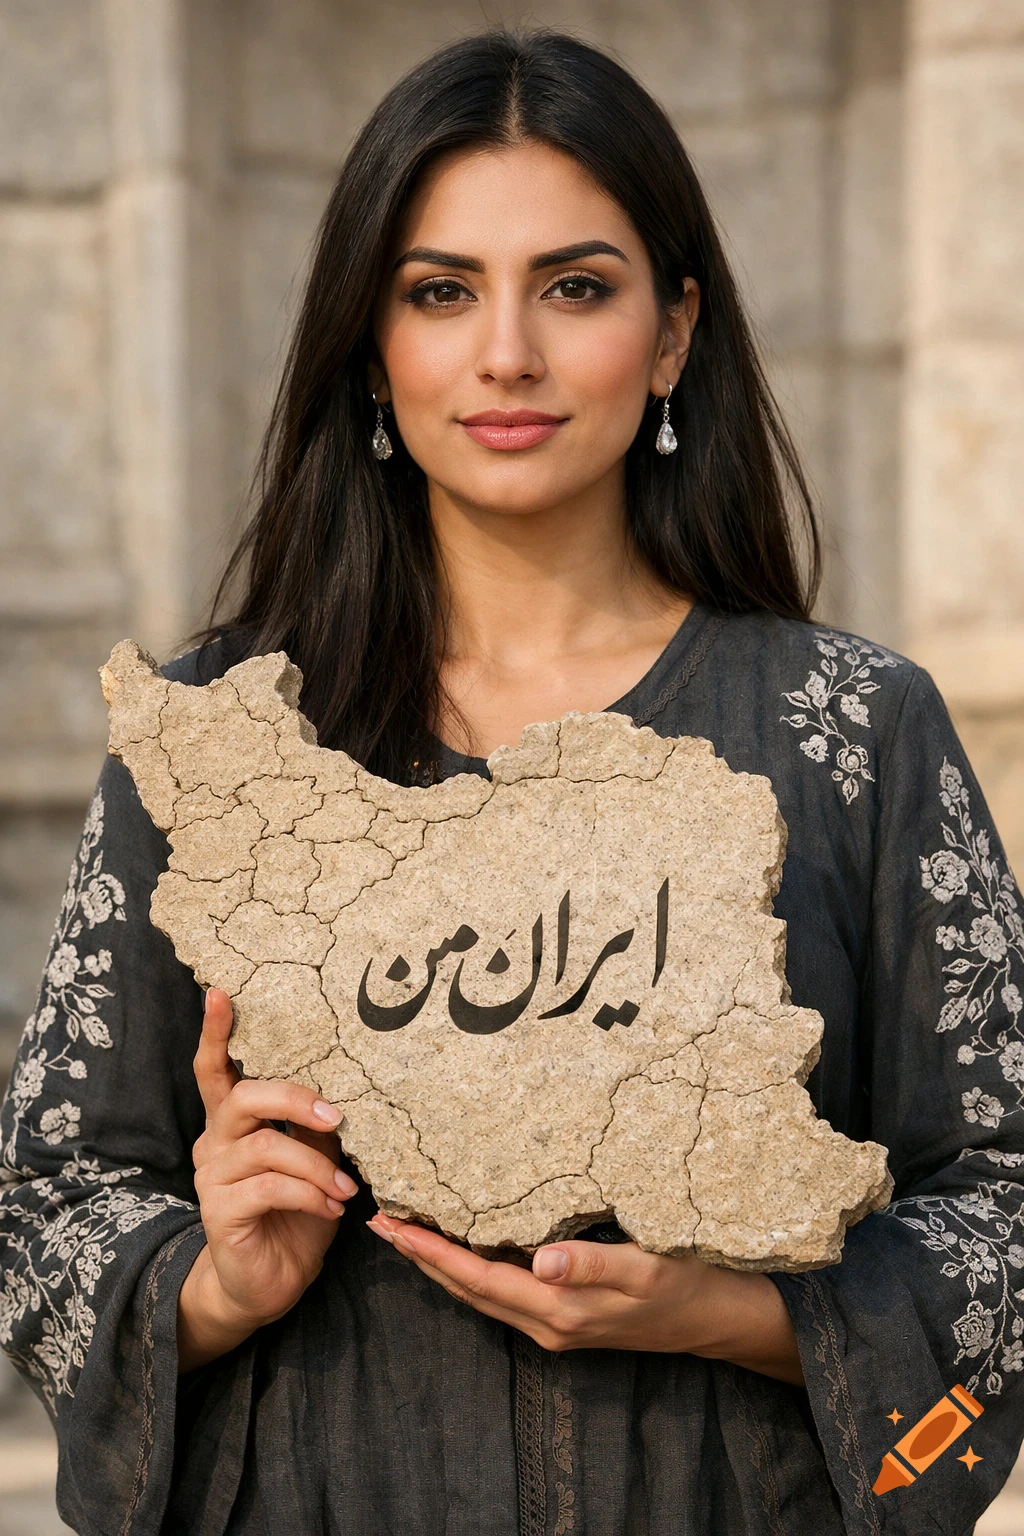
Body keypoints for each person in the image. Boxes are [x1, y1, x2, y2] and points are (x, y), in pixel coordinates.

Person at [1, 27, 1022, 1536]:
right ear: (371, 344)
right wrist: (216, 1279)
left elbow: (1002, 1196)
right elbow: (52, 1198)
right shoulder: (223, 741)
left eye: (576, 287)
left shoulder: (852, 730)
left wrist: (739, 1315)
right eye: (440, 292)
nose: (506, 355)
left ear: (673, 334)